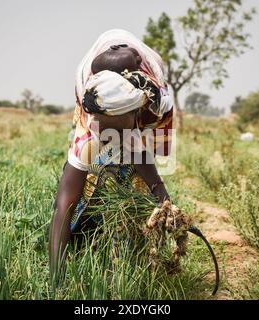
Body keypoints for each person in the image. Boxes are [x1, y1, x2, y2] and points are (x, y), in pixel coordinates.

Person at [49, 29, 175, 275]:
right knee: (81, 178)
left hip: (142, 108)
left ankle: (133, 246)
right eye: (104, 124)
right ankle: (87, 228)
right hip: (107, 104)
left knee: (137, 177)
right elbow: (63, 205)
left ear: (136, 113)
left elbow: (142, 153)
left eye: (118, 127)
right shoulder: (89, 101)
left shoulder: (157, 105)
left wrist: (166, 205)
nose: (110, 133)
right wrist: (57, 280)